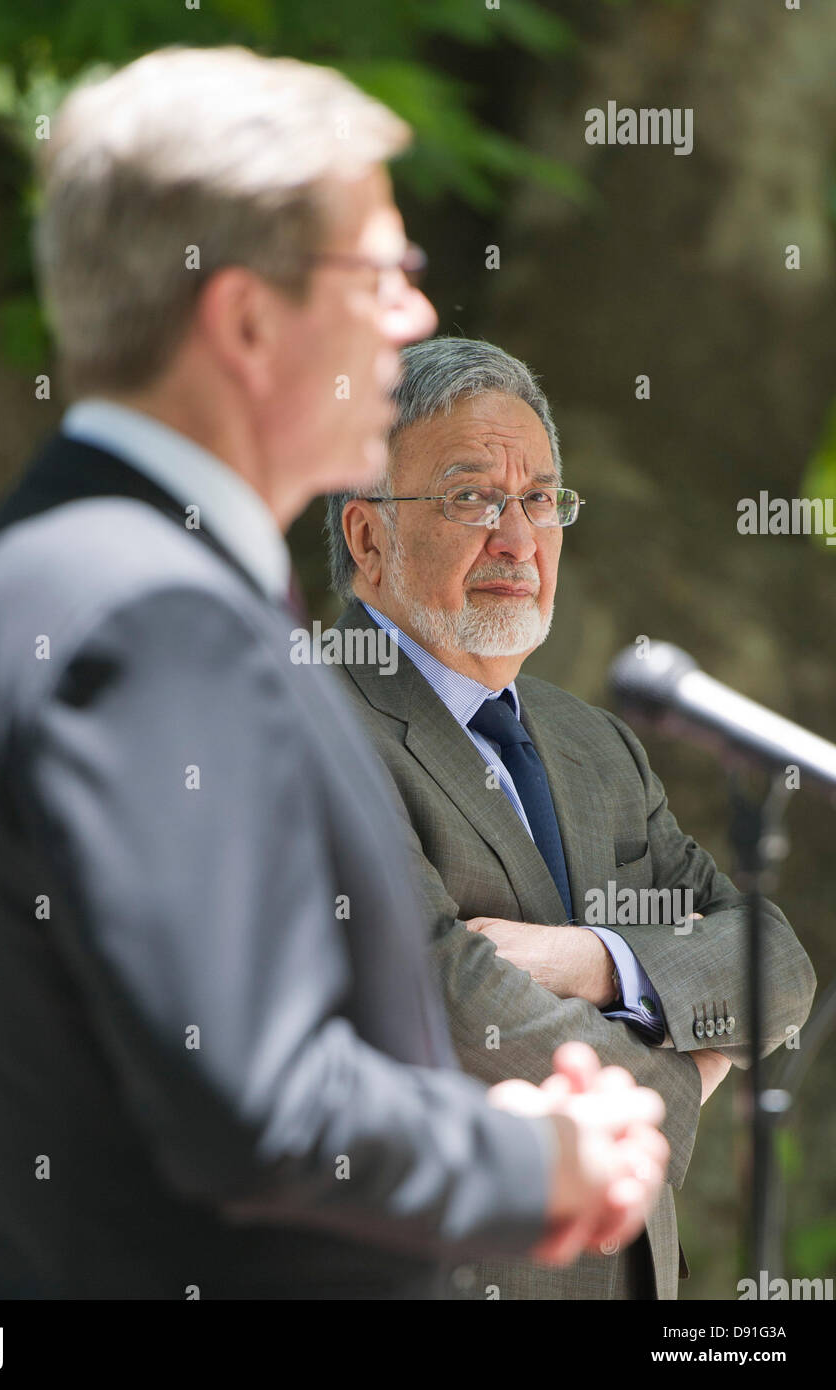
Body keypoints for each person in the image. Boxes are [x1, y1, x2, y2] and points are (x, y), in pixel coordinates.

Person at [0, 48, 669, 1300]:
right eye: (383, 275)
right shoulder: (150, 621)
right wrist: (535, 1161)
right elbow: (249, 1101)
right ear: (247, 320)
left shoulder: (43, 578)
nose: (414, 316)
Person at [324, 335, 816, 1299]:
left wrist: (601, 961)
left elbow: (776, 960)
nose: (517, 538)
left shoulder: (595, 743)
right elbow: (442, 992)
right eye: (471, 497)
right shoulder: (315, 719)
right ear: (368, 537)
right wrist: (679, 1082)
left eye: (541, 499)